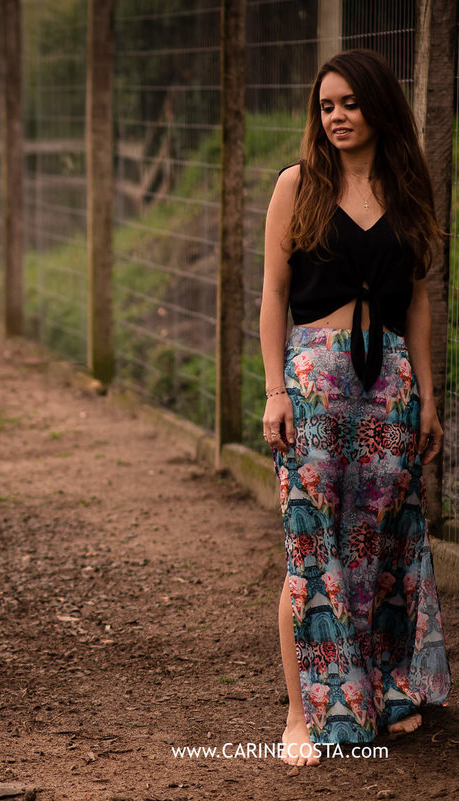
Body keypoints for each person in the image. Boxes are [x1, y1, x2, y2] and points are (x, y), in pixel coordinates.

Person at [259, 48, 451, 766]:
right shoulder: (297, 186)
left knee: (382, 543)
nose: (336, 116)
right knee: (312, 544)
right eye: (326, 105)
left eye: (349, 103)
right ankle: (300, 714)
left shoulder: (407, 189)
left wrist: (429, 399)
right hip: (314, 381)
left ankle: (379, 690)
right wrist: (276, 389)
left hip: (389, 386)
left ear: (378, 106)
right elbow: (273, 296)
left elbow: (419, 299)